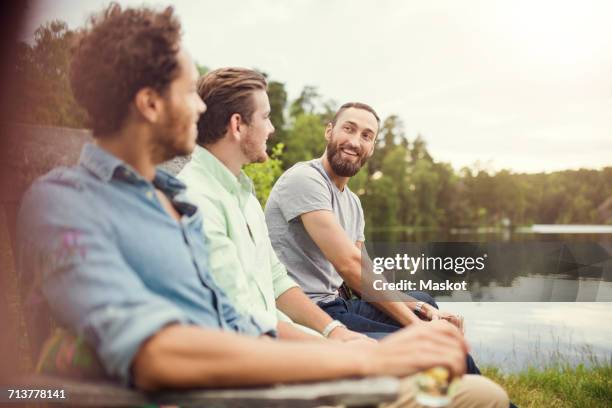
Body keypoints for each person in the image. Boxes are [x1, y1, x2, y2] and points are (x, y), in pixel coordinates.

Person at [16, 5, 509, 407]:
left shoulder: (176, 203)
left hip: (279, 377)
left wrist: (344, 339)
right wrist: (364, 359)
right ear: (149, 104)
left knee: (469, 389)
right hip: (246, 393)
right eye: (190, 92)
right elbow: (156, 352)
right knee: (473, 395)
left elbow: (250, 318)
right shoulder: (66, 203)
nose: (202, 107)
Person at [264, 102, 482, 373]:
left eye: (366, 136)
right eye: (349, 129)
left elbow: (364, 276)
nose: (355, 142)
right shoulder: (305, 179)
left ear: (372, 147)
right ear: (329, 132)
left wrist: (422, 311)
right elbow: (349, 266)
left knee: (425, 302)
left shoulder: (353, 202)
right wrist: (418, 328)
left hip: (338, 303)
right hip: (308, 314)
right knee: (436, 346)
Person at [178, 67, 368, 341]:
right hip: (246, 354)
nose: (272, 128)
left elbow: (276, 282)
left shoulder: (245, 197)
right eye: (265, 117)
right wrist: (338, 349)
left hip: (276, 337)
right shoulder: (196, 198)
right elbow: (241, 316)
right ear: (237, 125)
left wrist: (335, 332)